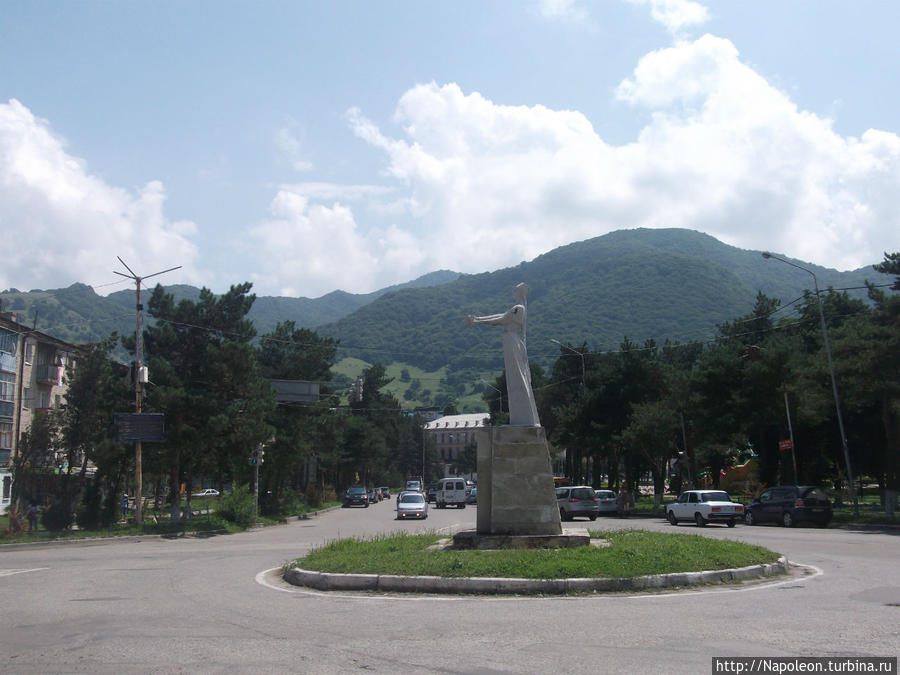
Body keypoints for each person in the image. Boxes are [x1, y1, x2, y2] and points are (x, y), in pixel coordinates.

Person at [465, 283, 540, 426]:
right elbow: (501, 315)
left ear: (519, 292)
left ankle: (524, 418)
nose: (513, 291)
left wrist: (479, 321)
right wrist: (478, 319)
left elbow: (502, 319)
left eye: (516, 289)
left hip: (512, 340)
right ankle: (520, 417)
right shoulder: (516, 308)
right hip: (509, 339)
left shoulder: (520, 309)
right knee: (513, 378)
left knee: (517, 376)